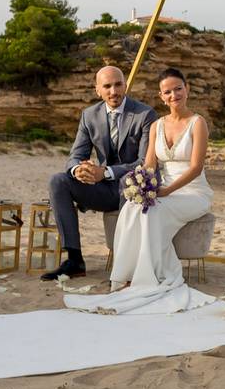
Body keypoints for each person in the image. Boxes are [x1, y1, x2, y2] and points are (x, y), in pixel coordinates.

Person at [64, 67, 213, 314]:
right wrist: (142, 185)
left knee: (153, 213)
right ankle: (125, 276)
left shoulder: (198, 123)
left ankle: (145, 278)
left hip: (192, 191)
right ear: (161, 96)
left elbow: (196, 167)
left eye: (178, 89)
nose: (174, 95)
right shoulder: (157, 125)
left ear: (187, 89)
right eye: (168, 91)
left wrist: (165, 191)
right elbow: (150, 165)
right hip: (163, 188)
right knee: (133, 208)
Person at [42, 65, 157, 281]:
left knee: (126, 180)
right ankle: (74, 260)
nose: (113, 91)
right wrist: (79, 170)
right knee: (58, 180)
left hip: (133, 188)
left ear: (125, 85)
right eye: (107, 86)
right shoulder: (89, 115)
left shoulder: (145, 114)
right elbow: (75, 156)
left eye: (118, 84)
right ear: (98, 90)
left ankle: (126, 262)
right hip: (102, 191)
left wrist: (104, 173)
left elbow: (144, 162)